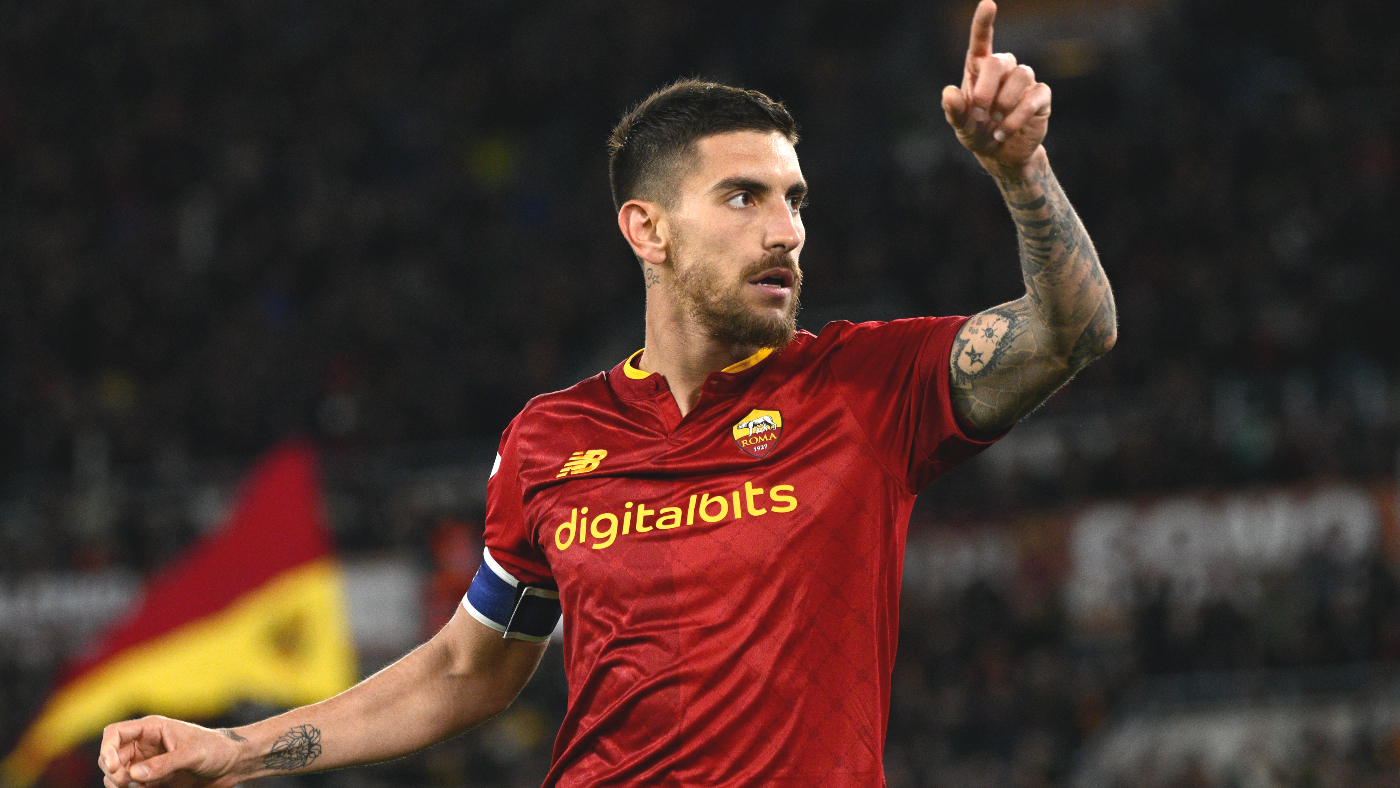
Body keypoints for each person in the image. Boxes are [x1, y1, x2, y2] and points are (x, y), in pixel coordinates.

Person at [99, 2, 1115, 786]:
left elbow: (1074, 332)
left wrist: (1020, 170)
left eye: (794, 200)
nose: (786, 231)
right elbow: (469, 668)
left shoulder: (864, 384)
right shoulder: (549, 439)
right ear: (646, 229)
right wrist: (236, 750)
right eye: (743, 197)